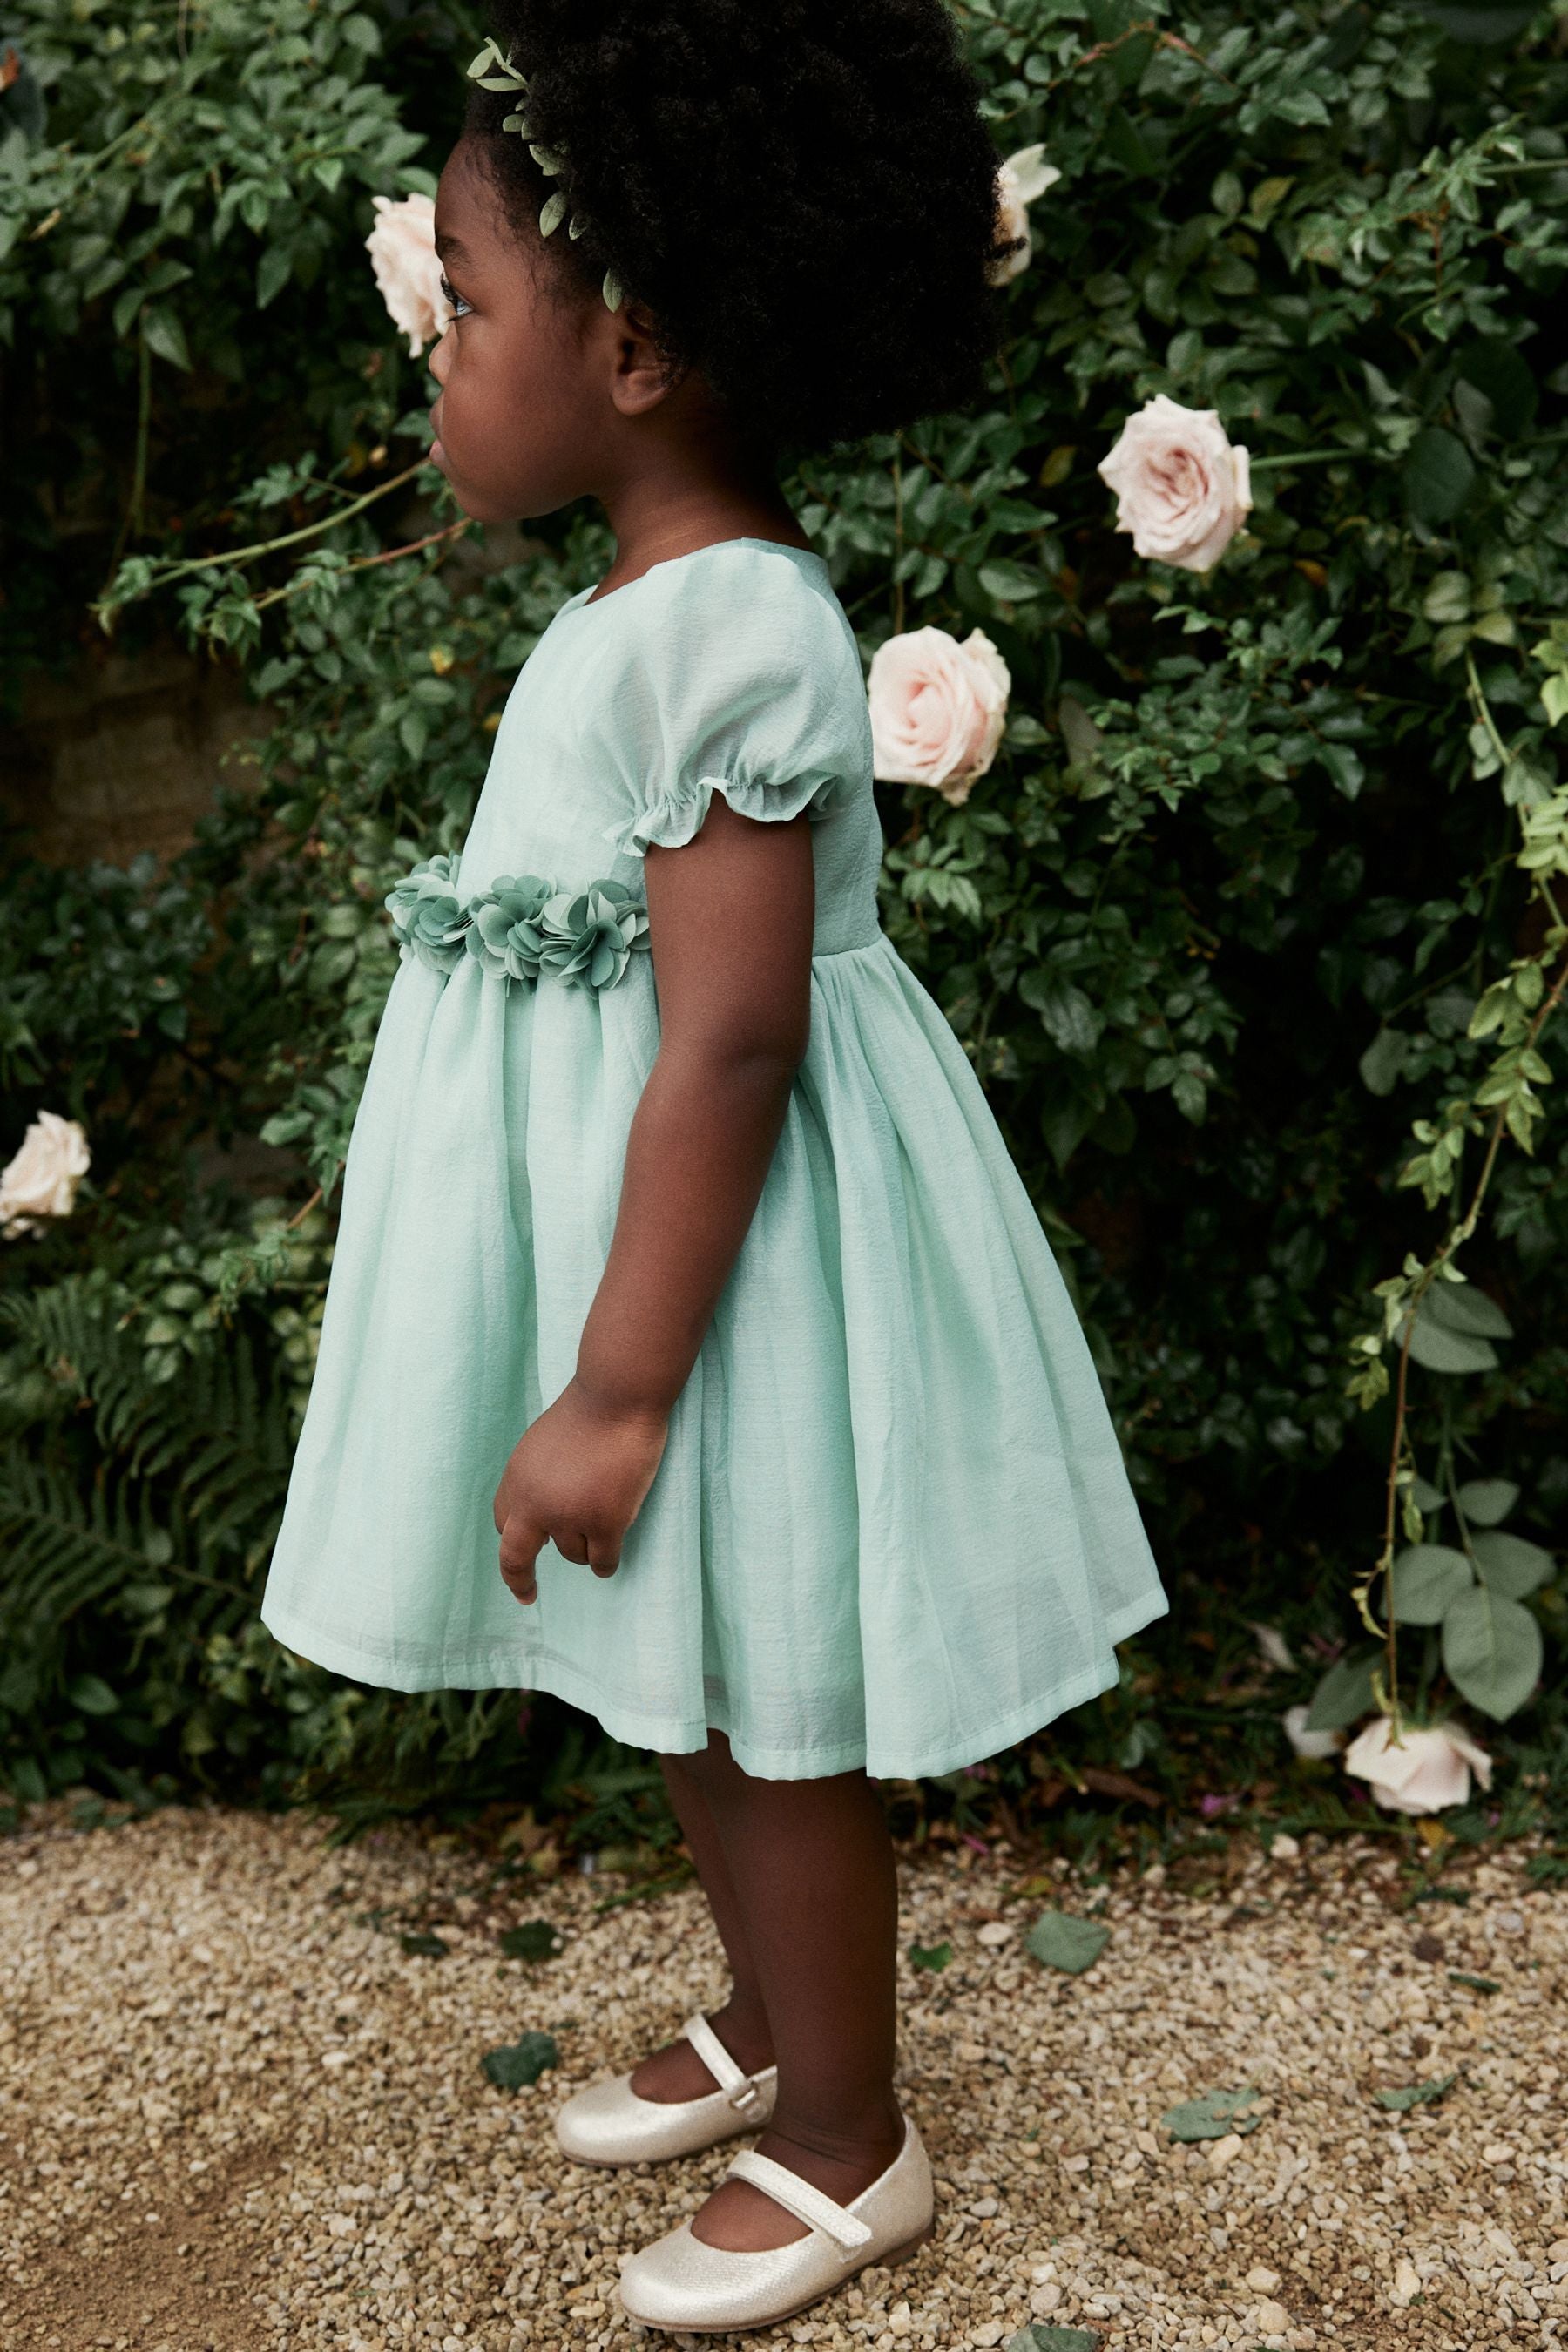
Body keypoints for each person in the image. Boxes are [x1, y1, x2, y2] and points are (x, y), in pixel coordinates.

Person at [260, 0, 1168, 2330]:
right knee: (688, 1659)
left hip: (725, 1266)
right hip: (661, 1236)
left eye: (465, 309)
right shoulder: (658, 599)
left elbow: (738, 1027)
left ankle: (852, 2134)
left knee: (761, 1683)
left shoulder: (736, 628)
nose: (438, 354)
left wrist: (624, 1379)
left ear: (638, 347)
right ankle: (781, 2005)